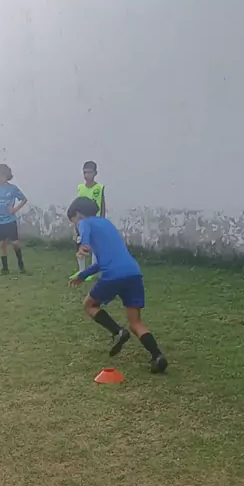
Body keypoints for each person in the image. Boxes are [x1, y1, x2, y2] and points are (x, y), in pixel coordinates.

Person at [67, 197, 167, 373]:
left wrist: (83, 245)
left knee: (89, 305)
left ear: (78, 214)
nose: (75, 226)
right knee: (135, 323)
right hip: (133, 273)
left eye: (73, 221)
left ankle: (117, 332)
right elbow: (103, 261)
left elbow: (84, 230)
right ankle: (157, 356)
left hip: (113, 275)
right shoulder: (107, 224)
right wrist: (83, 275)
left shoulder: (85, 223)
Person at [0, 165, 28, 274]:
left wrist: (15, 209)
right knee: (2, 244)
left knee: (15, 243)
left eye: (3, 175)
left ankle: (21, 265)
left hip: (10, 221)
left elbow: (24, 199)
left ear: (8, 176)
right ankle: (5, 268)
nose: (1, 178)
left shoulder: (13, 189)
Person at [75, 160, 106, 274]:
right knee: (81, 244)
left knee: (95, 246)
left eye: (89, 172)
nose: (87, 175)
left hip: (95, 221)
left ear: (95, 173)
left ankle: (93, 270)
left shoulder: (99, 188)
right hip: (83, 222)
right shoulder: (80, 187)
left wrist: (102, 220)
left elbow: (102, 205)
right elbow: (78, 204)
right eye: (85, 172)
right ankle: (82, 271)